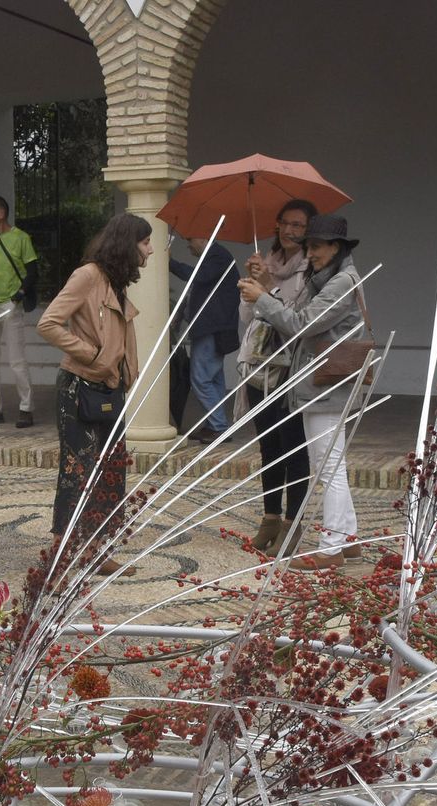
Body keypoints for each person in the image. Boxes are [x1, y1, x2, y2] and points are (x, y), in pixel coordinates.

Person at [238, 213, 364, 570]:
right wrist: (266, 289)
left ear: (336, 247)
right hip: (320, 384)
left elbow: (301, 324)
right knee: (331, 463)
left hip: (326, 385)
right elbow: (295, 313)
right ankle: (349, 541)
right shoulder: (327, 280)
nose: (310, 254)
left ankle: (331, 547)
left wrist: (263, 298)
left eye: (317, 246)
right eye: (308, 247)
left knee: (328, 467)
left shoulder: (341, 282)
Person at [37, 213, 153, 578]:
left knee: (111, 472)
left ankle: (96, 550)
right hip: (79, 388)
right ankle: (62, 554)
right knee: (78, 471)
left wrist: (123, 370)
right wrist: (91, 354)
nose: (150, 249)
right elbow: (48, 323)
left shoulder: (115, 281)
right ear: (127, 243)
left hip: (110, 387)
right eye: (145, 242)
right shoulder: (87, 275)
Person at [238, 198, 317, 554]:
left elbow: (296, 322)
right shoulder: (266, 263)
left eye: (298, 225)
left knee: (293, 447)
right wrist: (250, 291)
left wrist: (268, 288)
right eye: (284, 222)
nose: (288, 230)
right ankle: (269, 518)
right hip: (259, 367)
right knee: (268, 446)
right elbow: (248, 319)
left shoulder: (312, 271)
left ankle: (291, 524)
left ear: (309, 231)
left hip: (291, 368)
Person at [170, 235, 240, 443]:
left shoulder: (217, 256)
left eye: (190, 239)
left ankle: (218, 426)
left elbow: (195, 278)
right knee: (214, 379)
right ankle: (214, 424)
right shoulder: (216, 257)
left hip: (212, 329)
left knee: (201, 378)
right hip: (213, 329)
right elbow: (196, 289)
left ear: (203, 238)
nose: (188, 245)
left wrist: (169, 262)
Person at [0, 196, 39, 428]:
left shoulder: (21, 238)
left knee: (16, 360)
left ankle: (26, 408)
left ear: (1, 214)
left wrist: (19, 295)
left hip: (10, 306)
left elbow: (33, 271)